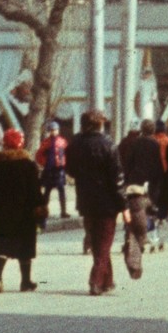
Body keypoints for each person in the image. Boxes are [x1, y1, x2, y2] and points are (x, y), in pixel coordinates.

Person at [65, 110, 126, 296]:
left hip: (85, 200)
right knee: (104, 243)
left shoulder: (74, 144)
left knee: (96, 240)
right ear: (100, 124)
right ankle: (96, 281)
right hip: (107, 202)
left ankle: (107, 280)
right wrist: (124, 205)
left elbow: (70, 170)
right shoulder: (108, 144)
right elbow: (117, 178)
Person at [0, 126, 42, 293]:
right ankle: (25, 282)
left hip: (0, 212)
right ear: (20, 144)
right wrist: (40, 206)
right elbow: (35, 190)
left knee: (1, 246)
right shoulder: (28, 165)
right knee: (25, 247)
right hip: (24, 213)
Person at [118, 117, 166, 278]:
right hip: (149, 185)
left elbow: (127, 163)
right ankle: (146, 238)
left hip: (133, 183)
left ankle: (135, 236)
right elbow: (157, 166)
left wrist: (127, 179)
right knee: (146, 213)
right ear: (152, 131)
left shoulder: (134, 143)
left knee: (135, 213)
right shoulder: (154, 144)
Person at [37, 122, 69, 224]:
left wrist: (65, 164)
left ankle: (63, 211)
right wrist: (44, 163)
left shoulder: (62, 142)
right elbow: (39, 155)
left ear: (58, 130)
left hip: (59, 169)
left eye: (55, 130)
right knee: (47, 191)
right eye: (51, 130)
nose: (53, 132)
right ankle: (44, 211)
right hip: (49, 169)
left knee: (61, 190)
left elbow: (67, 154)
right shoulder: (46, 143)